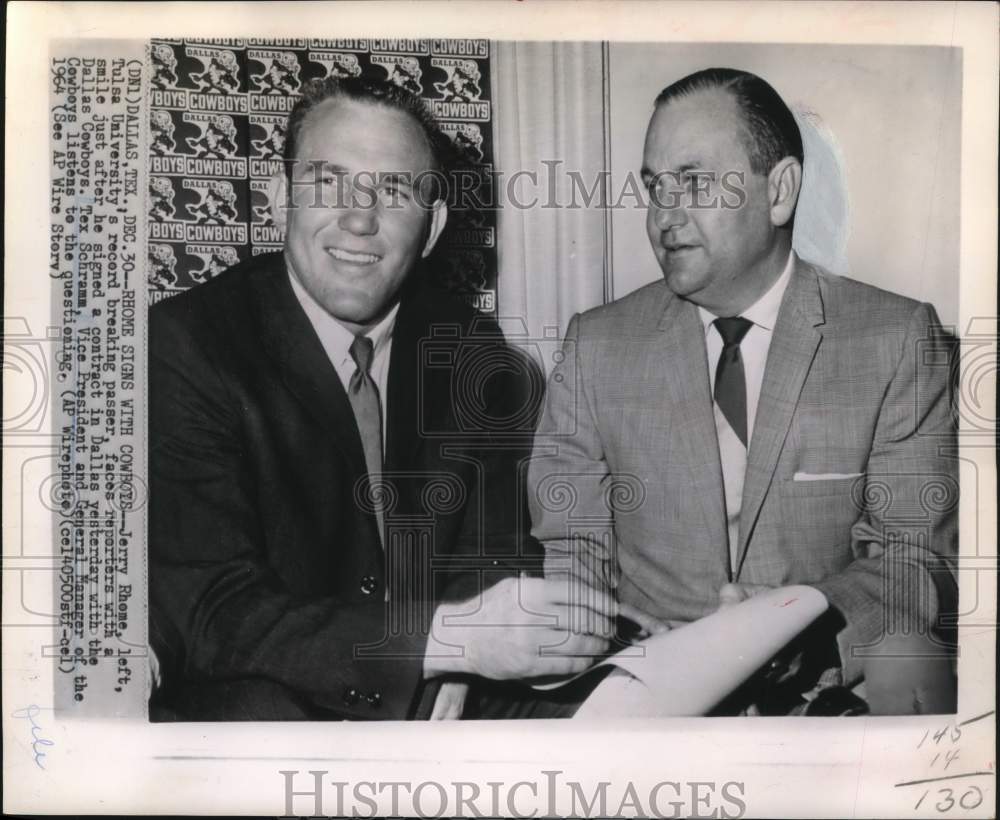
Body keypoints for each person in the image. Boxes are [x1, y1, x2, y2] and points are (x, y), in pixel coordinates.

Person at [148, 76, 629, 721]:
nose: (360, 218)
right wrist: (445, 646)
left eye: (395, 190)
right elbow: (213, 610)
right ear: (276, 199)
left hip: (442, 686)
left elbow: (495, 548)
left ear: (432, 230)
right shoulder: (185, 344)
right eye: (328, 182)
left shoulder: (473, 349)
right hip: (264, 697)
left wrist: (456, 668)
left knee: (626, 719)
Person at [528, 68, 958, 715]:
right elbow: (573, 549)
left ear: (779, 191)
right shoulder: (595, 347)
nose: (664, 216)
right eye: (654, 187)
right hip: (645, 706)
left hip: (825, 700)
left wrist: (804, 634)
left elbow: (915, 559)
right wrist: (622, 642)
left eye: (695, 182)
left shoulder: (896, 339)